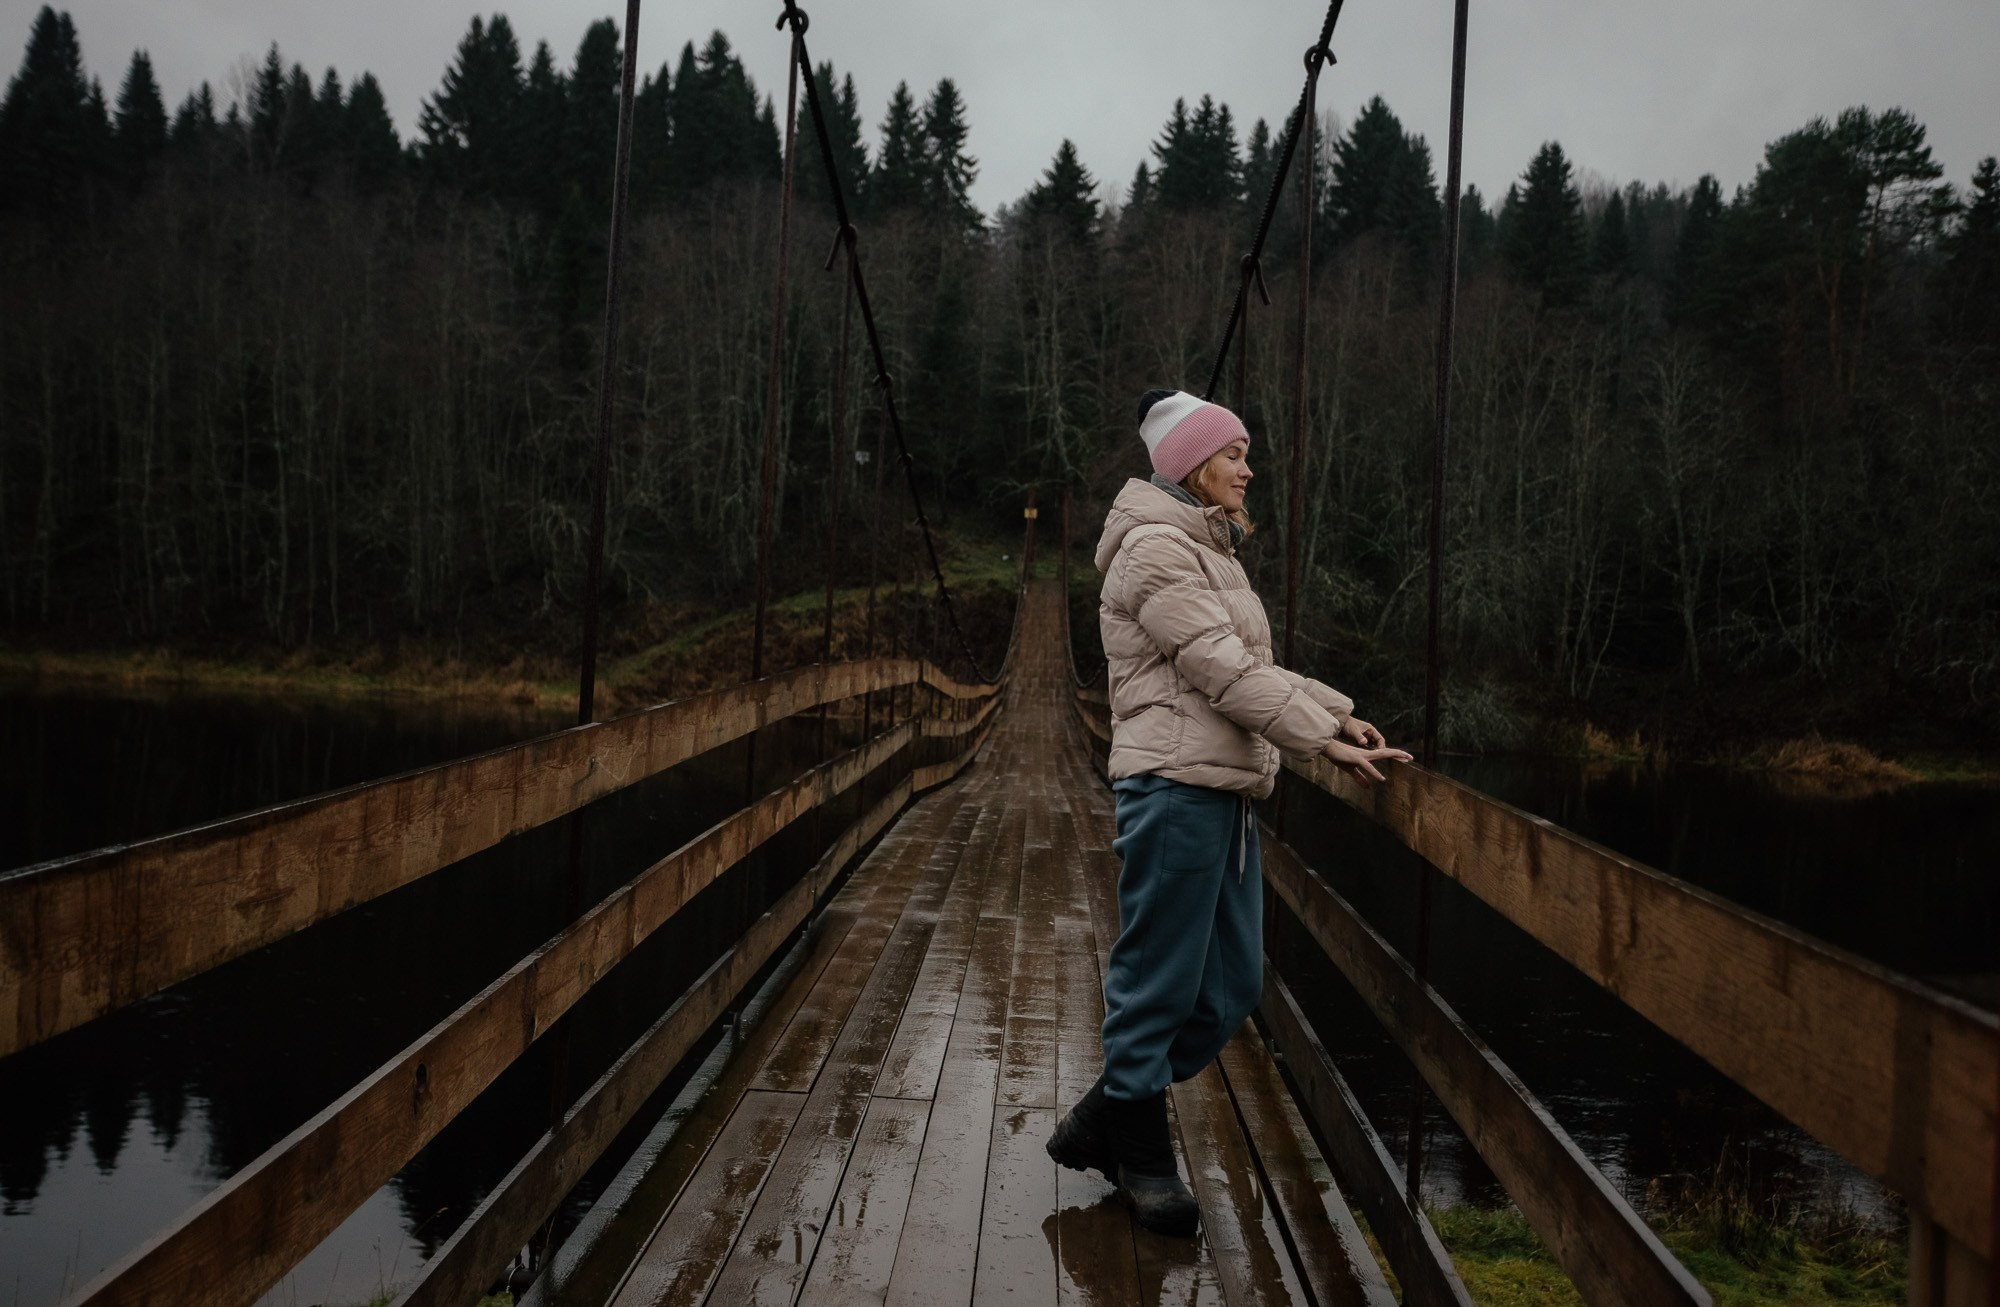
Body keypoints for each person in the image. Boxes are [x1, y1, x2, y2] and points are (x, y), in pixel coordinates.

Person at [1046, 388, 1411, 1235]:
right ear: (1190, 465)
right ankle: (1139, 1151)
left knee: (1233, 984)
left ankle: (1110, 1109)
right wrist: (1321, 739)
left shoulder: (1209, 548)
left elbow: (1246, 659)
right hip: (1174, 787)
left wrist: (1335, 705)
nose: (1250, 469)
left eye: (1246, 452)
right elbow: (1219, 670)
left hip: (1225, 789)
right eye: (1235, 453)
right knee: (1159, 983)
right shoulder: (1153, 551)